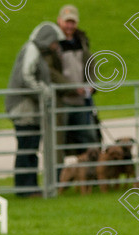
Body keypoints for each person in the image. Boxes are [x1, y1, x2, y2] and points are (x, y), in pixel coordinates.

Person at [5, 22, 63, 196]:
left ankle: (29, 187)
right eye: (54, 41)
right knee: (27, 147)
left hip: (28, 110)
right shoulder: (32, 50)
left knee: (29, 147)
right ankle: (25, 189)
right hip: (23, 110)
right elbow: (26, 77)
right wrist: (43, 90)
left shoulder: (36, 51)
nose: (56, 46)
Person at [51, 5, 98, 158]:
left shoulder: (82, 41)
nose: (69, 26)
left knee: (89, 138)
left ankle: (92, 174)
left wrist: (91, 84)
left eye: (72, 22)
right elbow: (51, 71)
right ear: (59, 21)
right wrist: (70, 87)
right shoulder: (53, 43)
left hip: (81, 101)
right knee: (59, 141)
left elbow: (91, 64)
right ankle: (60, 177)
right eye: (66, 22)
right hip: (62, 101)